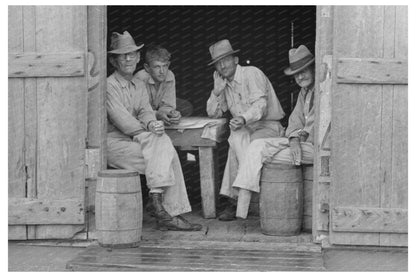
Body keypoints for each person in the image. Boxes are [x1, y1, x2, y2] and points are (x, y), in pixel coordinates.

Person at [106, 31, 201, 231]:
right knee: (167, 154)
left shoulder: (138, 84)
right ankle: (168, 211)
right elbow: (125, 124)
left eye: (132, 54)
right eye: (123, 55)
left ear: (139, 58)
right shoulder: (109, 86)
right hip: (115, 145)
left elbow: (145, 111)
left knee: (163, 143)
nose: (129, 58)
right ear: (114, 61)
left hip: (136, 140)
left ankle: (158, 202)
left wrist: (152, 124)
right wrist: (147, 127)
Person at [206, 39, 286, 221]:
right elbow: (213, 113)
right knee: (236, 139)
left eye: (225, 59)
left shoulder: (251, 73)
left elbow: (261, 105)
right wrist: (216, 92)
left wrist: (243, 118)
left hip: (269, 127)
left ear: (236, 59)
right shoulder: (224, 84)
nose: (222, 65)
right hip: (247, 130)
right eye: (218, 63)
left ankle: (236, 200)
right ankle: (241, 199)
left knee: (239, 143)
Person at [232, 44, 316, 219]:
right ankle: (244, 201)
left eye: (304, 71)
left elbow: (317, 127)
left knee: (261, 154)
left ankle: (247, 204)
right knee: (256, 145)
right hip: (300, 144)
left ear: (313, 69)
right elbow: (294, 122)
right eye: (296, 74)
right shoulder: (304, 92)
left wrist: (296, 140)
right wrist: (293, 139)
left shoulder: (322, 91)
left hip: (316, 147)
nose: (300, 77)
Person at [134, 44, 193, 125]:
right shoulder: (140, 78)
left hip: (158, 106)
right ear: (147, 68)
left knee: (186, 107)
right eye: (157, 67)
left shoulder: (169, 75)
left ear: (168, 64)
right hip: (144, 110)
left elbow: (168, 105)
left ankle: (165, 119)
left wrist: (171, 113)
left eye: (165, 66)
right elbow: (138, 110)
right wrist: (157, 115)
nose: (162, 71)